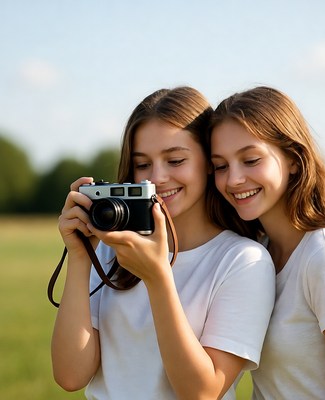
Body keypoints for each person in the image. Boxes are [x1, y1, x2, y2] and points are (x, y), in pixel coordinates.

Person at [51, 86, 275, 400]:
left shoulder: (243, 261)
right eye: (143, 165)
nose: (156, 177)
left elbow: (201, 392)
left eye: (175, 160)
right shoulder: (112, 247)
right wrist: (79, 256)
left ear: (208, 162)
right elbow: (70, 375)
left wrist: (158, 279)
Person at [209, 86, 325, 400]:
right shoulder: (257, 253)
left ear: (292, 158)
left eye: (250, 160)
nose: (233, 179)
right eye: (221, 166)